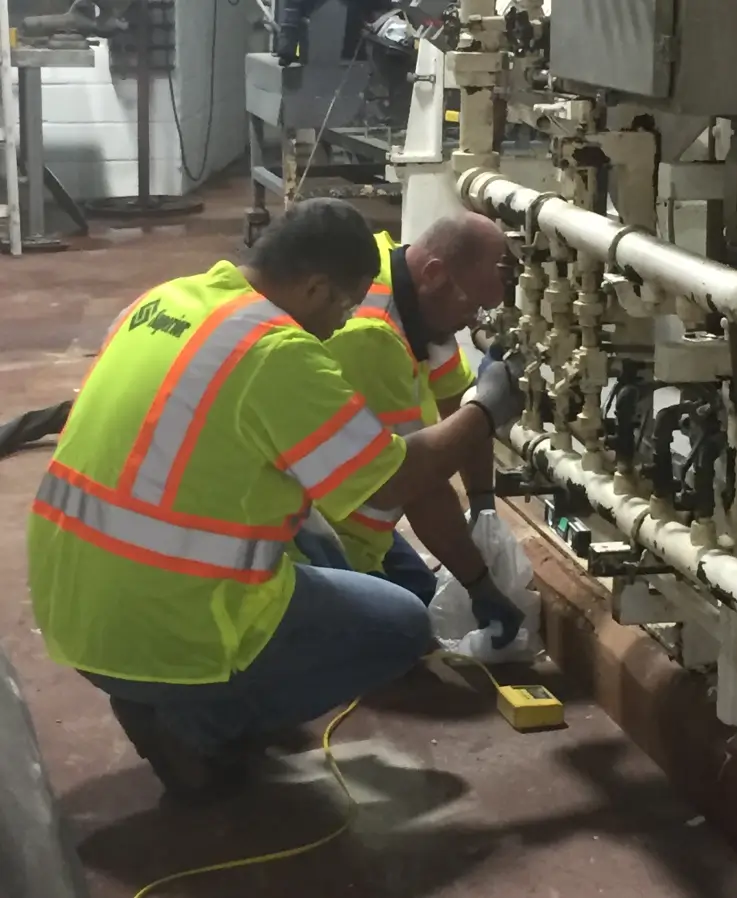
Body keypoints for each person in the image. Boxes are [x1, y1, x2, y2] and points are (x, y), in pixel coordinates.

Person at [26, 198, 525, 802]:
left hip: (71, 606)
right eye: (341, 304)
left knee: (317, 538)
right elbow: (392, 482)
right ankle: (199, 725)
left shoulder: (169, 298)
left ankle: (164, 694)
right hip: (167, 627)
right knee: (400, 625)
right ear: (314, 286)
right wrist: (485, 410)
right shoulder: (278, 351)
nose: (343, 322)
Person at [309, 217, 525, 649]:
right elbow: (416, 483)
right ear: (435, 274)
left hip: (358, 512)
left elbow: (457, 402)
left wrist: (483, 504)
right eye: (470, 308)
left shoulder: (407, 282)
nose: (471, 323)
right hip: (317, 529)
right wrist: (481, 585)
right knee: (407, 631)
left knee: (427, 594)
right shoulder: (372, 335)